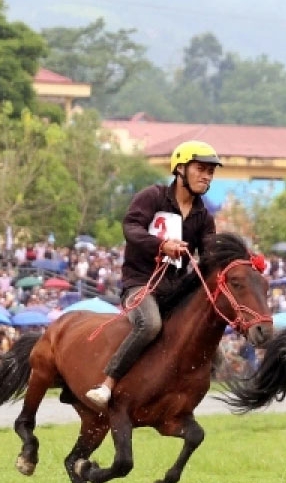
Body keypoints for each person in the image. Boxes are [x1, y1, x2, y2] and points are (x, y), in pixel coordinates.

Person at [84, 140, 220, 407]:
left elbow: (210, 255)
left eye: (211, 171)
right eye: (201, 169)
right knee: (151, 324)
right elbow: (131, 227)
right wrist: (162, 245)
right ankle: (107, 383)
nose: (207, 176)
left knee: (211, 341)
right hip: (140, 284)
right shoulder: (153, 196)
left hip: (176, 290)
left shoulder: (204, 217)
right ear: (180, 168)